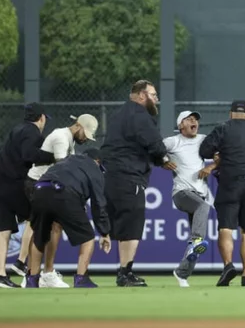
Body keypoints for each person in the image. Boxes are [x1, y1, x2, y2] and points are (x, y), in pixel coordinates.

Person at [100, 80, 168, 287]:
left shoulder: (118, 116)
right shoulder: (140, 115)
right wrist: (163, 158)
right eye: (153, 95)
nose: (156, 99)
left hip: (111, 176)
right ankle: (125, 272)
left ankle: (122, 270)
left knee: (121, 224)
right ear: (141, 96)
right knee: (132, 225)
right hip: (130, 176)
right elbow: (156, 146)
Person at [22, 114, 98, 288]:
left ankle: (41, 274)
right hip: (40, 185)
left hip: (48, 186)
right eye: (85, 134)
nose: (86, 139)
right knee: (41, 229)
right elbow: (63, 169)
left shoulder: (68, 140)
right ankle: (37, 273)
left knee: (52, 228)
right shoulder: (62, 138)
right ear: (77, 126)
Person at [0, 103, 56, 288]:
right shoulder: (33, 131)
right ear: (41, 118)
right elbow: (29, 155)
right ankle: (26, 266)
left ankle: (0, 276)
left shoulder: (16, 129)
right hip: (13, 185)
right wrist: (53, 156)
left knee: (3, 232)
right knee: (38, 219)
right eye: (45, 119)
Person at [25, 148, 111, 288]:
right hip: (64, 193)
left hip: (39, 190)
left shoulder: (66, 160)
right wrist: (104, 232)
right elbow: (99, 204)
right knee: (88, 237)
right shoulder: (94, 168)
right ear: (97, 161)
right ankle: (81, 278)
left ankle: (32, 279)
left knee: (39, 236)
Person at [199, 100, 245, 287]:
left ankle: (228, 266)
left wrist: (217, 156)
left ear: (230, 113)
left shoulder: (224, 128)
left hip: (231, 182)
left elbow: (204, 149)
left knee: (226, 228)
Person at [162, 110, 218, 287]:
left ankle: (182, 273)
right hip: (182, 192)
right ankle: (196, 241)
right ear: (180, 125)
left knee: (198, 239)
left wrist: (211, 167)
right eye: (189, 119)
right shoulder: (173, 141)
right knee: (203, 210)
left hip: (199, 193)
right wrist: (163, 160)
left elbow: (222, 153)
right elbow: (154, 150)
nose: (194, 121)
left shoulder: (203, 140)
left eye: (196, 120)